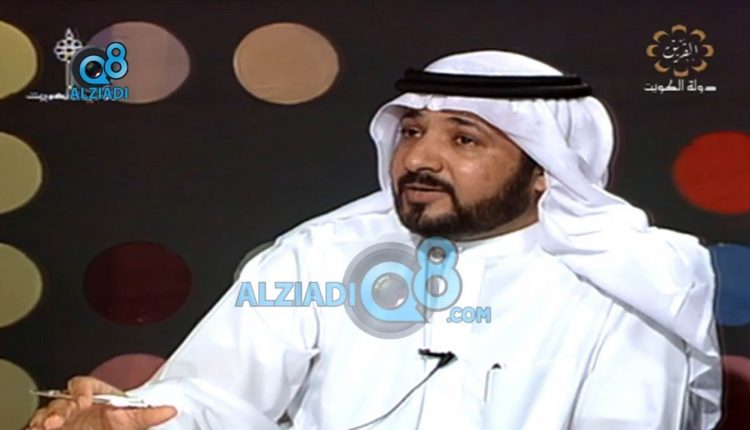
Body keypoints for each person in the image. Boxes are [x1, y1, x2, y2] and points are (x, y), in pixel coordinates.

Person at [28, 50, 721, 430]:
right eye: (412, 131)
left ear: (546, 168)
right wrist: (126, 421)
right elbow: (216, 396)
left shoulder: (634, 279)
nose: (418, 158)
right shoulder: (321, 254)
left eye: (464, 139)